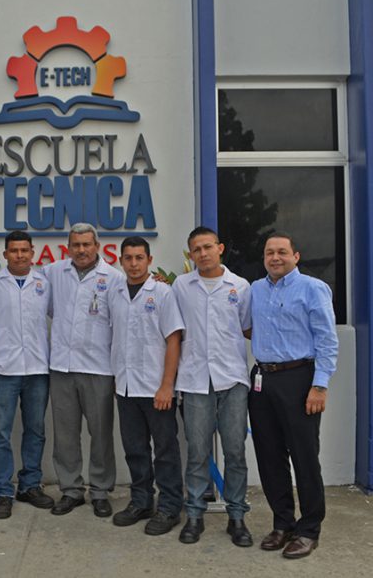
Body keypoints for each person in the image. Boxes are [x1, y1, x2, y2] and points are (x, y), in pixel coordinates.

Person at [249, 232, 338, 559]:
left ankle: (309, 529)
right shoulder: (255, 289)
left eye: (282, 252)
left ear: (295, 256)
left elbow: (327, 339)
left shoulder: (313, 288)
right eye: (269, 252)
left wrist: (319, 385)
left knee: (304, 457)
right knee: (269, 457)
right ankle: (283, 523)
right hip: (262, 380)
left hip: (300, 379)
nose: (275, 258)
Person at [172, 227, 252, 546]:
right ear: (190, 254)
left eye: (208, 247)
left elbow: (247, 328)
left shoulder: (240, 287)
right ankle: (194, 515)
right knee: (197, 451)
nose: (203, 253)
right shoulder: (181, 286)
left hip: (232, 379)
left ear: (220, 248)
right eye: (196, 249)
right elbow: (174, 330)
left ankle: (237, 516)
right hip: (195, 380)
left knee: (235, 451)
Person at [44, 223, 124, 517]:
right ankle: (71, 490)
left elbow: (119, 320)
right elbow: (36, 297)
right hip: (62, 366)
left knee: (100, 434)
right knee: (65, 434)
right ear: (68, 247)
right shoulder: (53, 272)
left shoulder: (114, 278)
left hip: (98, 367)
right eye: (75, 245)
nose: (81, 250)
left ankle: (100, 491)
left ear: (97, 246)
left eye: (86, 244)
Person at [108, 237, 185, 535]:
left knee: (165, 450)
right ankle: (141, 501)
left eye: (139, 257)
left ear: (149, 260)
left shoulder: (163, 293)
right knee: (135, 449)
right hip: (126, 387)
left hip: (156, 388)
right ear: (120, 261)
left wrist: (167, 386)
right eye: (128, 258)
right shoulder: (115, 293)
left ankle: (169, 506)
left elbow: (173, 340)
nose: (134, 263)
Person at [0, 231, 54, 519]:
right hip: (2, 369)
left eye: (25, 250)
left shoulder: (44, 284)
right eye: (14, 250)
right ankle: (2, 490)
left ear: (32, 252)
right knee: (0, 433)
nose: (20, 255)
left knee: (35, 430)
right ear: (5, 254)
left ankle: (30, 485)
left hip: (37, 368)